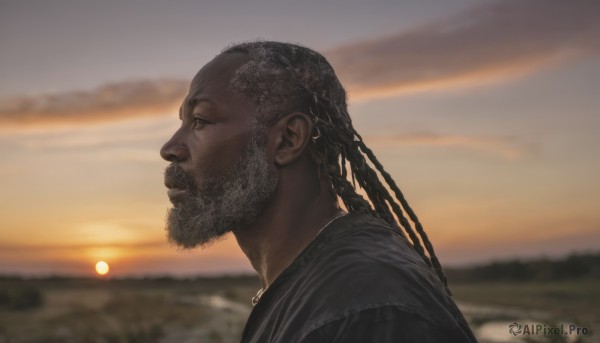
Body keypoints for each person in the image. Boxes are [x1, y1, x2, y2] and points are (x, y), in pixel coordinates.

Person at [160, 41, 477, 343]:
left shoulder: (364, 310)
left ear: (287, 140)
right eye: (183, 122)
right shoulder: (323, 289)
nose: (170, 148)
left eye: (200, 121)